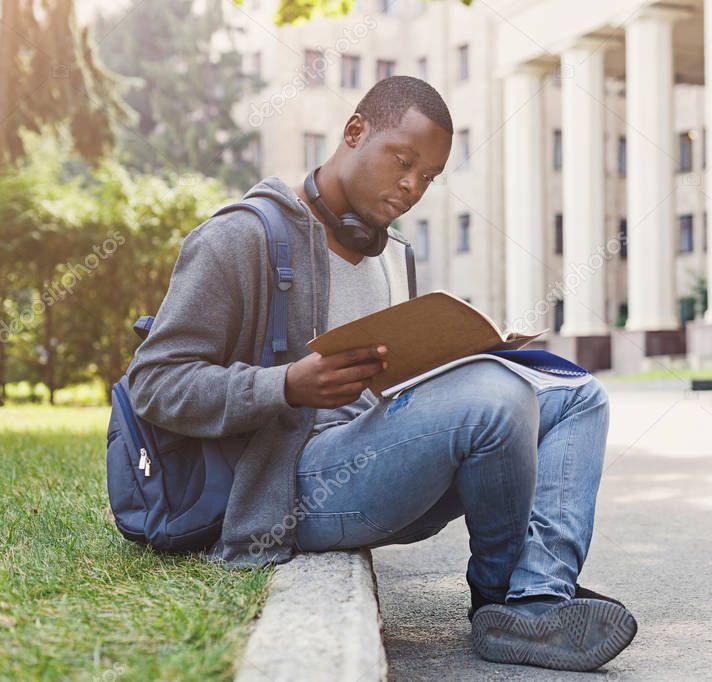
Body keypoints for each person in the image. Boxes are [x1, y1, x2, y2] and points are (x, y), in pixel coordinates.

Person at [128, 76, 636, 672]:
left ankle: (538, 593)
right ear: (353, 132)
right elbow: (155, 383)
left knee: (576, 394)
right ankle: (508, 603)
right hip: (291, 487)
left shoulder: (396, 255)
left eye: (428, 177)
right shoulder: (242, 237)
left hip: (387, 459)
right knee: (495, 398)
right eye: (404, 161)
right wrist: (287, 384)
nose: (412, 186)